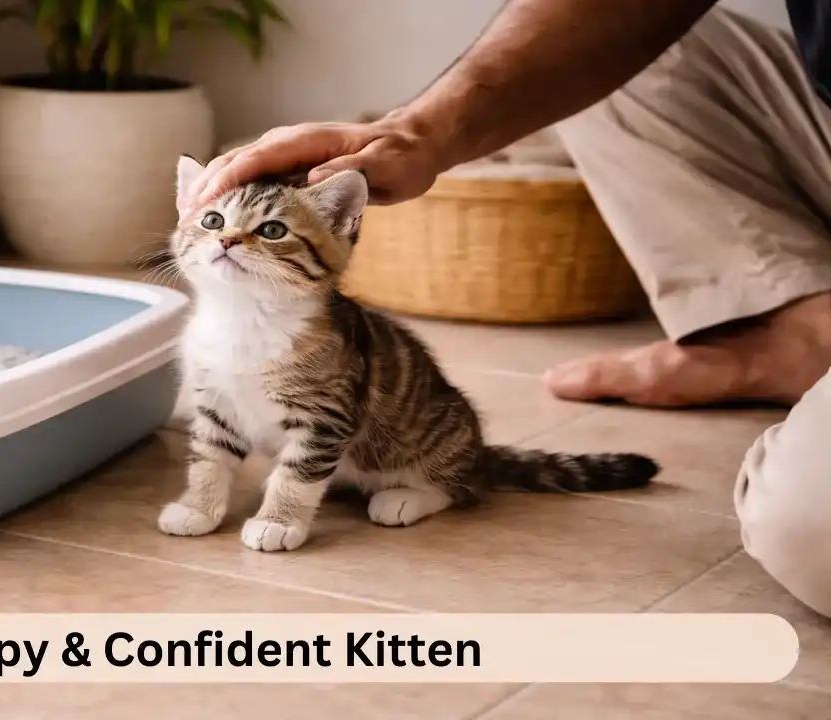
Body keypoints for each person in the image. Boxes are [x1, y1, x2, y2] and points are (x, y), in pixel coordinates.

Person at [180, 0, 831, 617]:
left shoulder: (321, 339)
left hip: (401, 449)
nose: (228, 241)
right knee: (602, 60)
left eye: (265, 233)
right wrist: (413, 132)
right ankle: (787, 326)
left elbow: (325, 425)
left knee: (806, 533)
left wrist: (286, 505)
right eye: (213, 225)